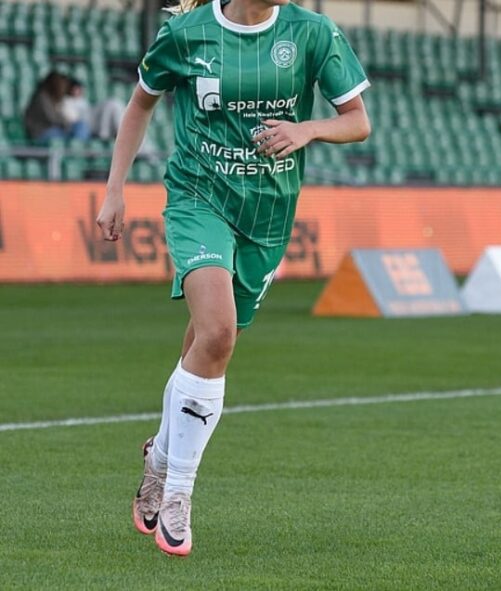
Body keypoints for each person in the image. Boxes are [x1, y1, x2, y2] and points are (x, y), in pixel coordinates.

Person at [96, 0, 370, 557]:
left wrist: (307, 130)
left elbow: (358, 121)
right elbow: (140, 104)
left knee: (206, 344)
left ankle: (160, 458)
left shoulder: (312, 33)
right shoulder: (187, 32)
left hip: (268, 216)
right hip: (198, 199)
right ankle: (177, 495)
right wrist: (114, 188)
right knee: (217, 333)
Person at [23, 71, 90, 143]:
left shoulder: (54, 98)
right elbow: (52, 118)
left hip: (54, 130)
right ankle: (76, 149)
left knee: (80, 125)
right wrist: (67, 123)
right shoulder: (42, 97)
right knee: (74, 129)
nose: (64, 87)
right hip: (42, 133)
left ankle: (78, 148)